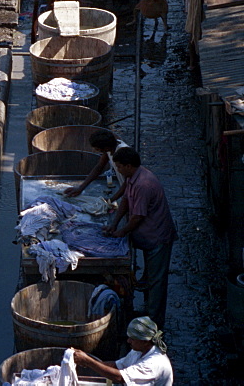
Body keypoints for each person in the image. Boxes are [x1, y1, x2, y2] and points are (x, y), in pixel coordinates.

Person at [105, 148, 178, 327]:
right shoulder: (133, 177)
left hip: (157, 236)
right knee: (150, 277)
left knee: (157, 282)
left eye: (120, 167)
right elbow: (126, 201)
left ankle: (154, 323)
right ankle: (148, 307)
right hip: (148, 236)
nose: (118, 170)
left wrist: (122, 232)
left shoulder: (143, 184)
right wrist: (114, 224)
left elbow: (138, 216)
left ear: (129, 166)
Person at [73, 317, 173, 386]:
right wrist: (87, 364)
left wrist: (88, 361)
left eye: (132, 339)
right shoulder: (139, 350)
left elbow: (120, 378)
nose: (128, 341)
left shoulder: (153, 363)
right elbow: (117, 365)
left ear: (145, 342)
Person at [64, 130, 131, 202]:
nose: (96, 150)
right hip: (126, 189)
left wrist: (112, 199)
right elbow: (99, 167)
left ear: (106, 148)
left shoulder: (122, 153)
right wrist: (81, 187)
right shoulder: (110, 148)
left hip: (132, 190)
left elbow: (128, 181)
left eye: (97, 149)